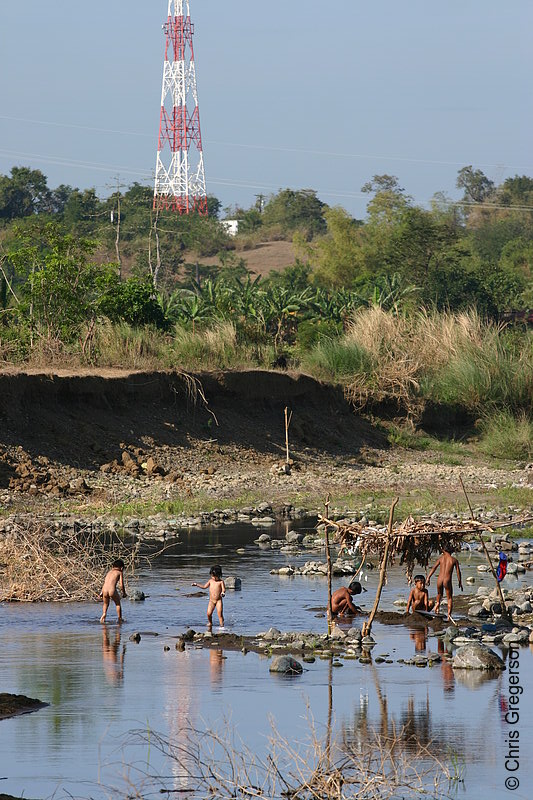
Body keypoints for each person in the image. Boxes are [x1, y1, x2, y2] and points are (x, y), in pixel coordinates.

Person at [426, 547, 463, 620]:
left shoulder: (441, 559)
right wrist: (460, 581)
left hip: (439, 579)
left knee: (439, 594)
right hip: (447, 580)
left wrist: (428, 577)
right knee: (449, 598)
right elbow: (458, 572)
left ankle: (437, 606)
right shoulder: (454, 560)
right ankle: (449, 615)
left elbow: (434, 568)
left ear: (443, 551)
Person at [192, 564, 226, 629]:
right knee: (208, 613)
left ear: (219, 575)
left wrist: (223, 593)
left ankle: (222, 626)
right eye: (212, 576)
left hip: (218, 601)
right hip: (211, 601)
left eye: (214, 576)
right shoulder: (210, 581)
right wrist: (197, 584)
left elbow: (224, 589)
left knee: (220, 614)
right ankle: (210, 622)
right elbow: (204, 587)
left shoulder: (221, 582)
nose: (213, 577)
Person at [99, 559, 127, 623]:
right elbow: (121, 585)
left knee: (105, 604)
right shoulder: (119, 572)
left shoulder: (109, 572)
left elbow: (105, 582)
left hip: (104, 590)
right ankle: (119, 619)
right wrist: (124, 593)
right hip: (112, 590)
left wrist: (101, 592)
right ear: (122, 568)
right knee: (118, 604)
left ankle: (104, 614)